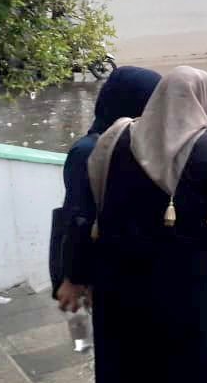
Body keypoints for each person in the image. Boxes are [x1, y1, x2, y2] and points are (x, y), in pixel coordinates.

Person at [86, 66, 207, 383]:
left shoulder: (115, 137)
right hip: (185, 283)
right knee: (193, 376)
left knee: (127, 372)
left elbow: (98, 196)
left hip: (120, 278)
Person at [55, 67, 161, 312]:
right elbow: (79, 215)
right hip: (106, 266)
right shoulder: (88, 151)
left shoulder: (137, 144)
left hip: (138, 264)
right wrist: (74, 277)